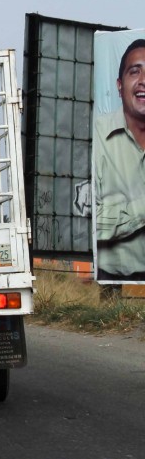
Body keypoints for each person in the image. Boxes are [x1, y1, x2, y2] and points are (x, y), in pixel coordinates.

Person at [94, 38, 145, 282]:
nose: (143, 80)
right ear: (119, 85)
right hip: (115, 284)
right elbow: (88, 222)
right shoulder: (95, 136)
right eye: (135, 71)